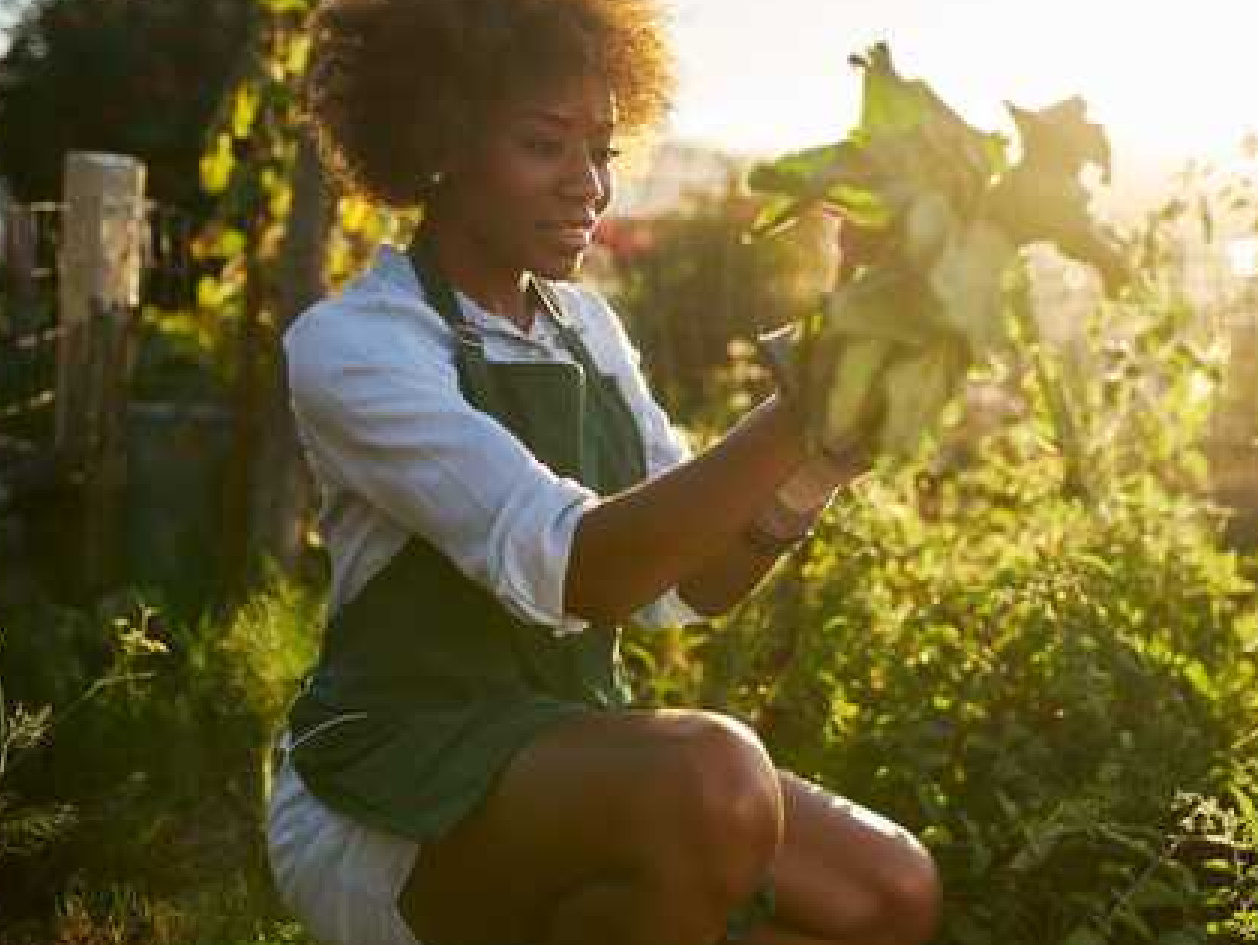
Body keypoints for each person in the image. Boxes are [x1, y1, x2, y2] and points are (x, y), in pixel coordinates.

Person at [263, 2, 942, 944]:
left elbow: (688, 585)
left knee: (892, 891)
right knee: (713, 779)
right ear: (439, 142)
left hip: (564, 754)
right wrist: (806, 395)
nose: (589, 186)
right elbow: (582, 570)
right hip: (391, 789)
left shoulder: (587, 330)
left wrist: (814, 467)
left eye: (604, 154)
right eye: (546, 145)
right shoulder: (358, 346)